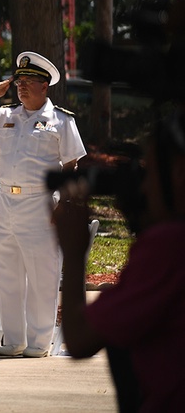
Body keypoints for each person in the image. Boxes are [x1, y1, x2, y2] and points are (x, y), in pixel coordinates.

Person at [53, 108, 185, 411]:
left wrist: (74, 254)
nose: (144, 187)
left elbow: (80, 340)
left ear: (179, 172)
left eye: (149, 173)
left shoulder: (170, 246)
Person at [0, 51, 86, 357]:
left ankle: (39, 342)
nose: (22, 86)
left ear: (45, 86)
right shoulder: (6, 116)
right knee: (7, 272)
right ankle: (13, 340)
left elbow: (72, 164)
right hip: (7, 200)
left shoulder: (61, 120)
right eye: (20, 81)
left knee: (42, 274)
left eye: (29, 81)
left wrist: (64, 203)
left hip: (41, 201)